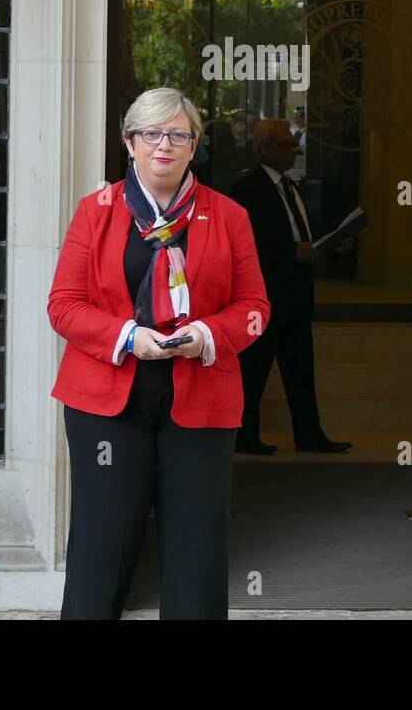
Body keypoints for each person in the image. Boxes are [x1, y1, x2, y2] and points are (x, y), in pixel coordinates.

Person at [47, 87, 270, 619]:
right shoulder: (95, 212)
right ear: (130, 143)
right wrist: (127, 335)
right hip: (107, 402)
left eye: (178, 135)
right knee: (101, 550)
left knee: (197, 552)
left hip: (201, 397)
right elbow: (64, 306)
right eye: (151, 134)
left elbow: (254, 307)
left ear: (194, 146)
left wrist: (207, 335)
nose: (163, 145)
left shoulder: (230, 215)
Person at [229, 118, 351, 455]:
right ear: (263, 149)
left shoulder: (292, 186)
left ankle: (309, 435)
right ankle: (245, 436)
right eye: (284, 145)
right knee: (254, 370)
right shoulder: (246, 189)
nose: (292, 151)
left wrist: (324, 245)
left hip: (296, 294)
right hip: (266, 296)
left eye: (292, 144)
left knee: (300, 370)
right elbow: (249, 242)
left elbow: (298, 231)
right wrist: (291, 251)